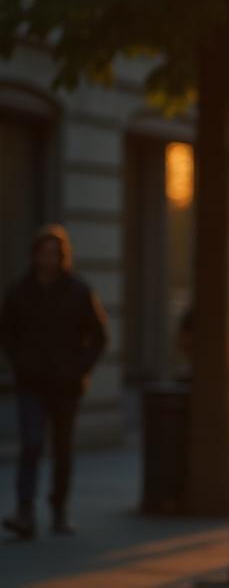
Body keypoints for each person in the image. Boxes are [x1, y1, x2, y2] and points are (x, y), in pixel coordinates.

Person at [0, 225, 109, 538]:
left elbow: (99, 337)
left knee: (62, 448)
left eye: (53, 253)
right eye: (42, 253)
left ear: (62, 257)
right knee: (31, 444)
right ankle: (25, 510)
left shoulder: (77, 290)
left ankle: (59, 509)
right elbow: (6, 330)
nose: (47, 259)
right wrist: (19, 361)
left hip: (65, 385)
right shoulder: (21, 290)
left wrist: (78, 369)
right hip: (31, 382)